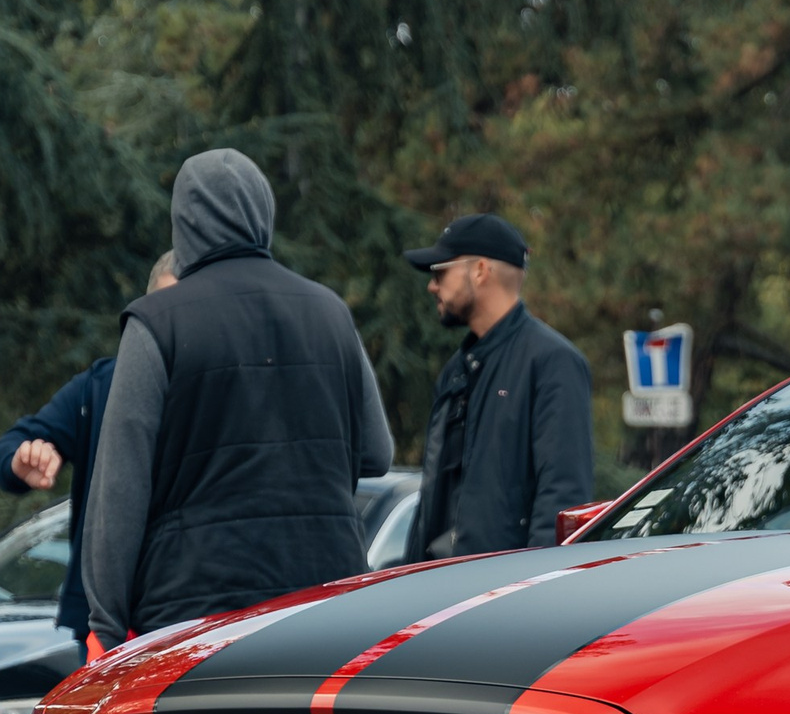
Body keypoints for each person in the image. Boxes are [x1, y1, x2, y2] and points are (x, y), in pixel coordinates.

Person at [83, 151, 392, 647]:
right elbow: (377, 454)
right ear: (263, 211)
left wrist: (106, 624)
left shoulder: (156, 322)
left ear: (183, 222)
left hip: (194, 610)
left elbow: (120, 489)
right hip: (325, 597)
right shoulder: (330, 312)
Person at [0, 252, 179, 642]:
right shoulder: (98, 386)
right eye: (163, 310)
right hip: (104, 619)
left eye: (184, 311)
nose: (171, 324)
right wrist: (23, 458)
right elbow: (11, 448)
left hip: (190, 613)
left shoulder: (224, 387)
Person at [401, 212, 595, 558]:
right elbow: (433, 500)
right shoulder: (456, 371)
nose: (432, 286)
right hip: (438, 584)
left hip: (504, 587)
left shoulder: (552, 363)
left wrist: (534, 582)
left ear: (479, 270)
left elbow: (562, 496)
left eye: (440, 272)